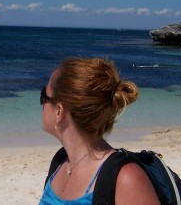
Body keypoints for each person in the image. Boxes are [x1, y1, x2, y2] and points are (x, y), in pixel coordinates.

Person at [39, 57, 160, 205]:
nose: (42, 104)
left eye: (43, 96)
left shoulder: (125, 178)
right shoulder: (60, 163)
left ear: (59, 111)